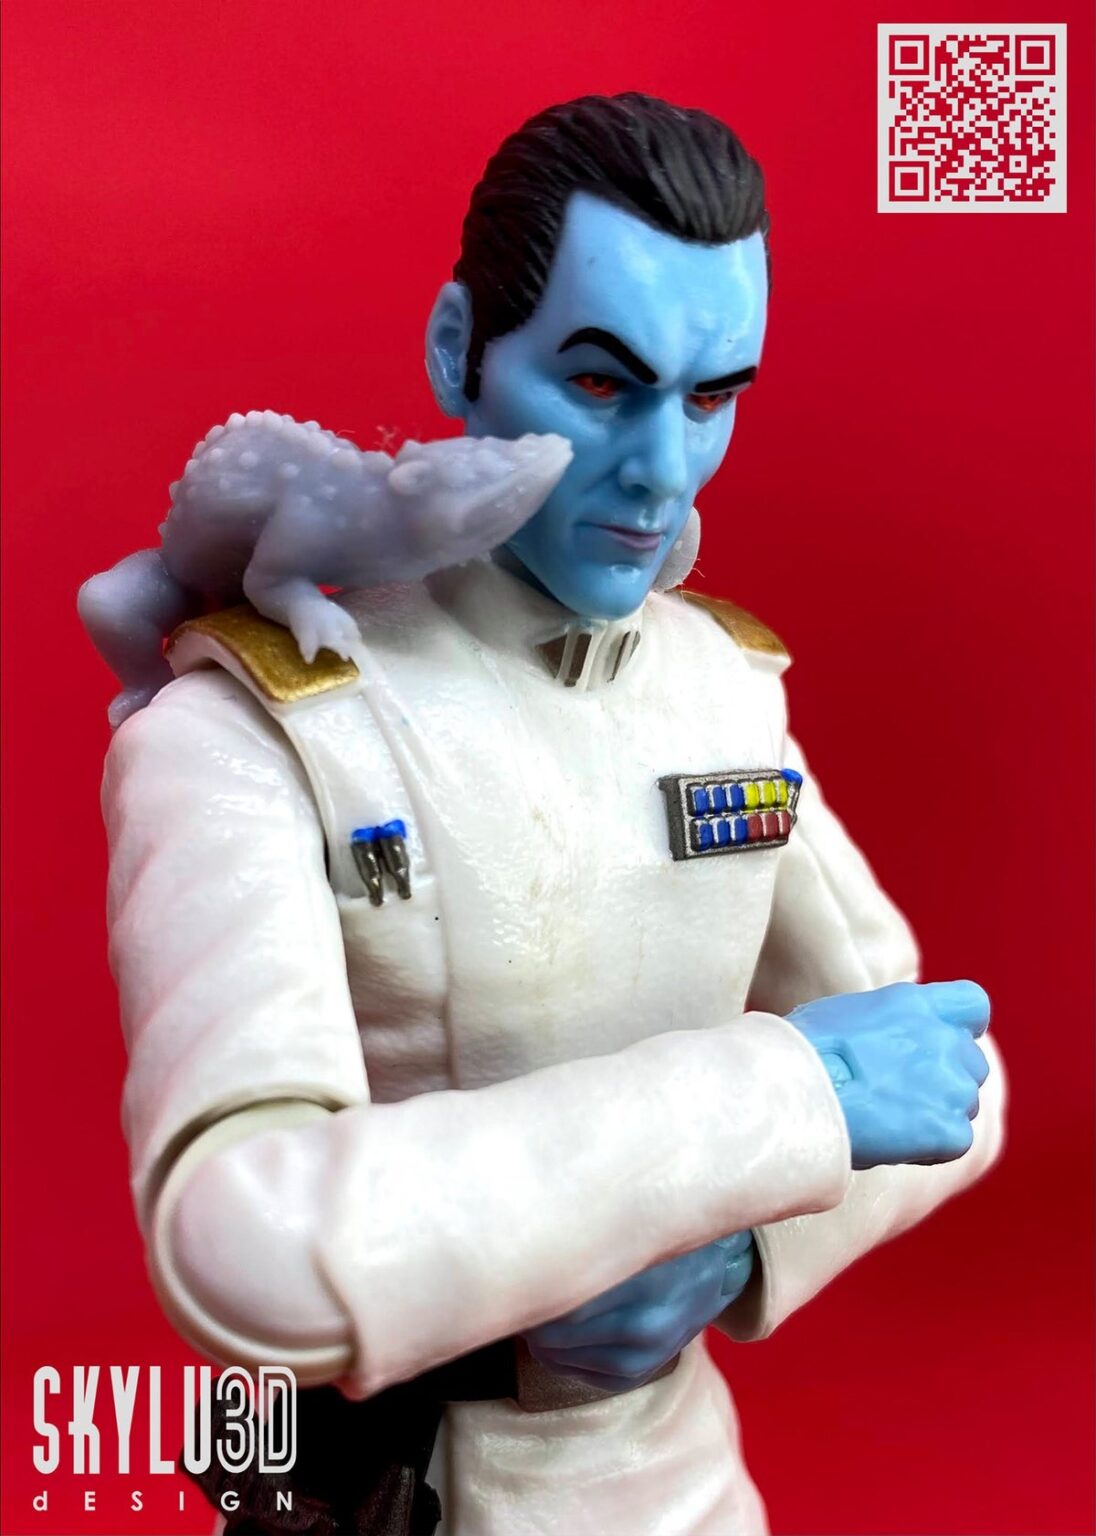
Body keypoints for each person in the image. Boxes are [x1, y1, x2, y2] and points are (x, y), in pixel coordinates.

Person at [96, 94, 1005, 1536]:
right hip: (395, 1483)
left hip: (677, 1475)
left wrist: (741, 1248)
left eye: (710, 399)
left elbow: (951, 1064)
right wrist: (775, 1106)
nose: (660, 470)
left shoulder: (721, 692)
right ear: (460, 347)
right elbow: (238, 1240)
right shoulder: (252, 728)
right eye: (599, 383)